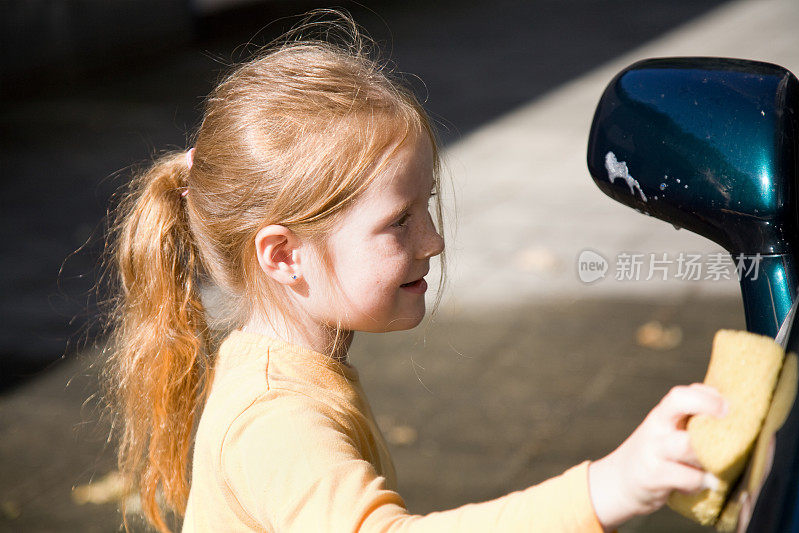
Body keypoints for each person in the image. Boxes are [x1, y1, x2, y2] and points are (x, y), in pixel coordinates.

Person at [102, 11, 728, 533]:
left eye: (425, 205)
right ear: (284, 256)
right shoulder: (276, 419)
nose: (433, 241)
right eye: (399, 219)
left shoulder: (288, 367)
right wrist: (613, 486)